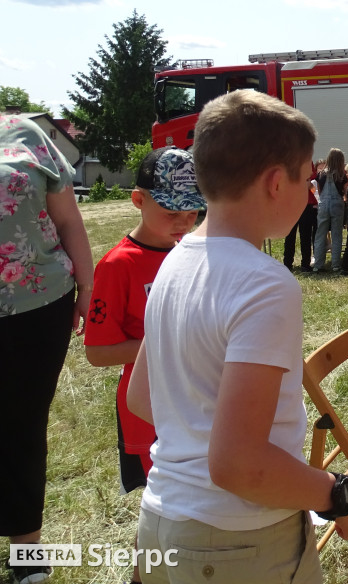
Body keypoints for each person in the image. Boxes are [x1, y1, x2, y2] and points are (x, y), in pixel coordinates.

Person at [126, 90, 348, 584]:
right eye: (306, 179)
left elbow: (142, 398)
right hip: (239, 541)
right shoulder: (264, 283)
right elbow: (239, 465)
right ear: (276, 182)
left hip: (161, 521)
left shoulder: (172, 261)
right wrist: (337, 495)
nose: (310, 191)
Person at [84, 146, 204, 584]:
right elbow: (97, 352)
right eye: (172, 211)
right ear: (138, 200)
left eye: (192, 211)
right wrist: (161, 342)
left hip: (192, 397)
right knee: (169, 497)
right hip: (147, 406)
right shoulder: (118, 265)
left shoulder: (191, 250)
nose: (184, 222)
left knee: (180, 496)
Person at [1, 113, 93, 584]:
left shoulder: (25, 131)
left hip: (38, 303)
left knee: (23, 425)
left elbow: (68, 219)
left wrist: (87, 285)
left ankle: (27, 551)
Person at [312, 148, 347, 273]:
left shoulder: (321, 174)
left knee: (320, 234)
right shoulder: (341, 175)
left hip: (323, 204)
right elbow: (345, 192)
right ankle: (335, 265)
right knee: (336, 234)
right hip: (337, 204)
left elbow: (320, 191)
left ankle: (318, 265)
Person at [284, 160, 318, 272]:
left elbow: (312, 184)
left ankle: (300, 264)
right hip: (296, 203)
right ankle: (291, 263)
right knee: (294, 235)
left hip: (302, 203)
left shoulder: (305, 160)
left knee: (303, 235)